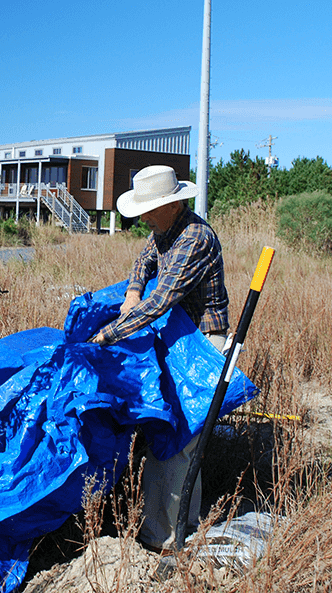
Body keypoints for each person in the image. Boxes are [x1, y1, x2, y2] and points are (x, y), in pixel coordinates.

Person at [88, 164, 230, 553]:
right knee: (160, 431)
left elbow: (161, 300)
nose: (144, 217)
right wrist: (132, 290)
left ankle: (175, 536)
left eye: (149, 209)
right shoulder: (163, 230)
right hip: (179, 339)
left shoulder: (195, 239)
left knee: (184, 441)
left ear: (174, 203)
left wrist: (109, 334)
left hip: (204, 344)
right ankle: (153, 532)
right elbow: (143, 264)